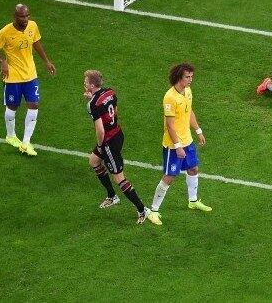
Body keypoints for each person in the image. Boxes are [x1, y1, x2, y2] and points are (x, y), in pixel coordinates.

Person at [83, 70, 153, 224]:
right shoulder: (110, 92)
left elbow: (100, 130)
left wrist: (101, 146)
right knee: (94, 161)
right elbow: (114, 110)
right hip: (118, 133)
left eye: (86, 82)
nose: (84, 83)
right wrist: (93, 98)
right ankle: (112, 196)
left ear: (92, 85)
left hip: (108, 141)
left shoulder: (93, 105)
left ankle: (142, 209)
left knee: (119, 178)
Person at [147, 63, 212, 226]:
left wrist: (198, 131)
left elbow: (189, 111)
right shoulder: (170, 97)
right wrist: (177, 146)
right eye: (187, 77)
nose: (191, 80)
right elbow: (169, 125)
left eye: (191, 76)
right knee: (170, 176)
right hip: (173, 144)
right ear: (179, 78)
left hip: (187, 140)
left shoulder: (188, 92)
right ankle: (153, 210)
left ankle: (193, 200)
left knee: (193, 168)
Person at [0, 4, 56, 156]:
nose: (25, 19)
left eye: (27, 16)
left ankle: (26, 142)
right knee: (12, 107)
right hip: (13, 77)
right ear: (15, 16)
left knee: (34, 105)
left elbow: (36, 42)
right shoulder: (5, 32)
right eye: (22, 16)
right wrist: (3, 62)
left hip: (31, 75)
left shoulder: (32, 26)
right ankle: (11, 135)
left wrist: (46, 61)